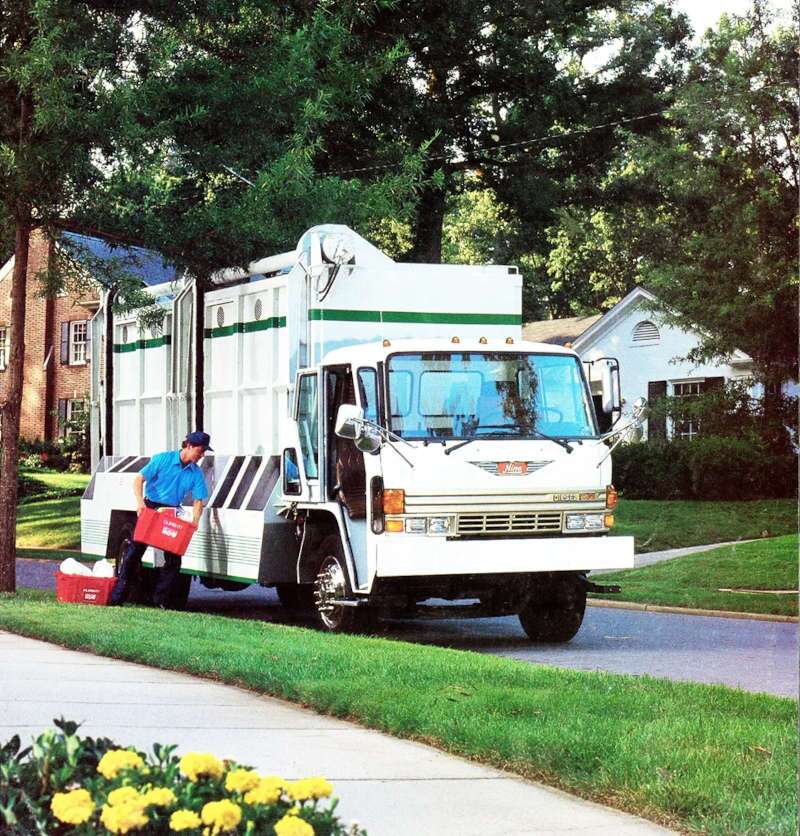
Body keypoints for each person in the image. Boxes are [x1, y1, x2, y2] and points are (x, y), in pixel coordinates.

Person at [110, 431, 212, 608]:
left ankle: (161, 601)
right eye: (200, 450)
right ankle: (118, 596)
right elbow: (139, 479)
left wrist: (194, 521)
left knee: (174, 559)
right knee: (134, 553)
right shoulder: (162, 459)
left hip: (171, 511)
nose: (202, 455)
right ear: (189, 446)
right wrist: (140, 503)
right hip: (150, 508)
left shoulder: (196, 473)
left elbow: (198, 501)